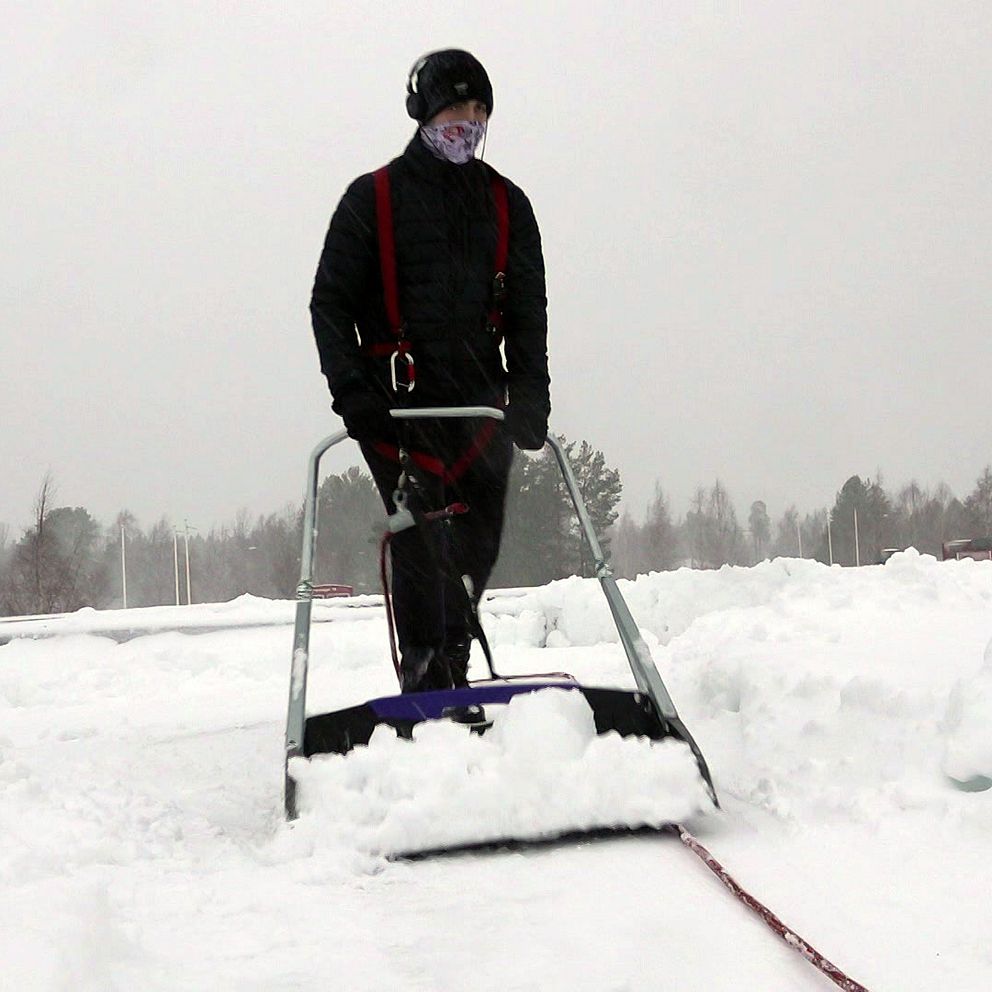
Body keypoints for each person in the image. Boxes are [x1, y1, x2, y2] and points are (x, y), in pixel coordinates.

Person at [311, 49, 550, 695]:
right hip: (398, 413)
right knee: (422, 546)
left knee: (477, 546)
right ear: (422, 113)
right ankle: (426, 675)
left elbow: (528, 311)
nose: (465, 123)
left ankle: (453, 664)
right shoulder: (371, 201)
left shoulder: (508, 205)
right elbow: (330, 303)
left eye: (477, 110)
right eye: (452, 109)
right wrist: (351, 393)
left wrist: (531, 392)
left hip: (481, 410)